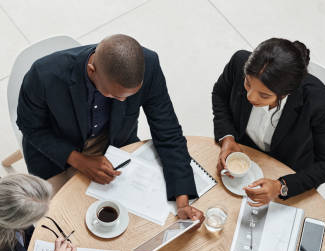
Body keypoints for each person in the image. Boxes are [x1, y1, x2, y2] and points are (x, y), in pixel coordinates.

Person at [17, 34, 204, 224]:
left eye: (129, 96)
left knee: (134, 221)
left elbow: (168, 131)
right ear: (92, 70)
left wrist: (182, 201)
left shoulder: (150, 65)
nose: (123, 100)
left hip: (114, 143)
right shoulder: (43, 75)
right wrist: (79, 161)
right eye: (113, 95)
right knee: (63, 221)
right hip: (56, 150)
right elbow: (30, 128)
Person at [212, 38, 325, 206]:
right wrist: (227, 137)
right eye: (247, 83)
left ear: (288, 92)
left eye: (264, 95)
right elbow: (220, 94)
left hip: (287, 166)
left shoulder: (321, 103)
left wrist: (282, 187)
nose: (250, 96)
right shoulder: (239, 62)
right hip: (244, 150)